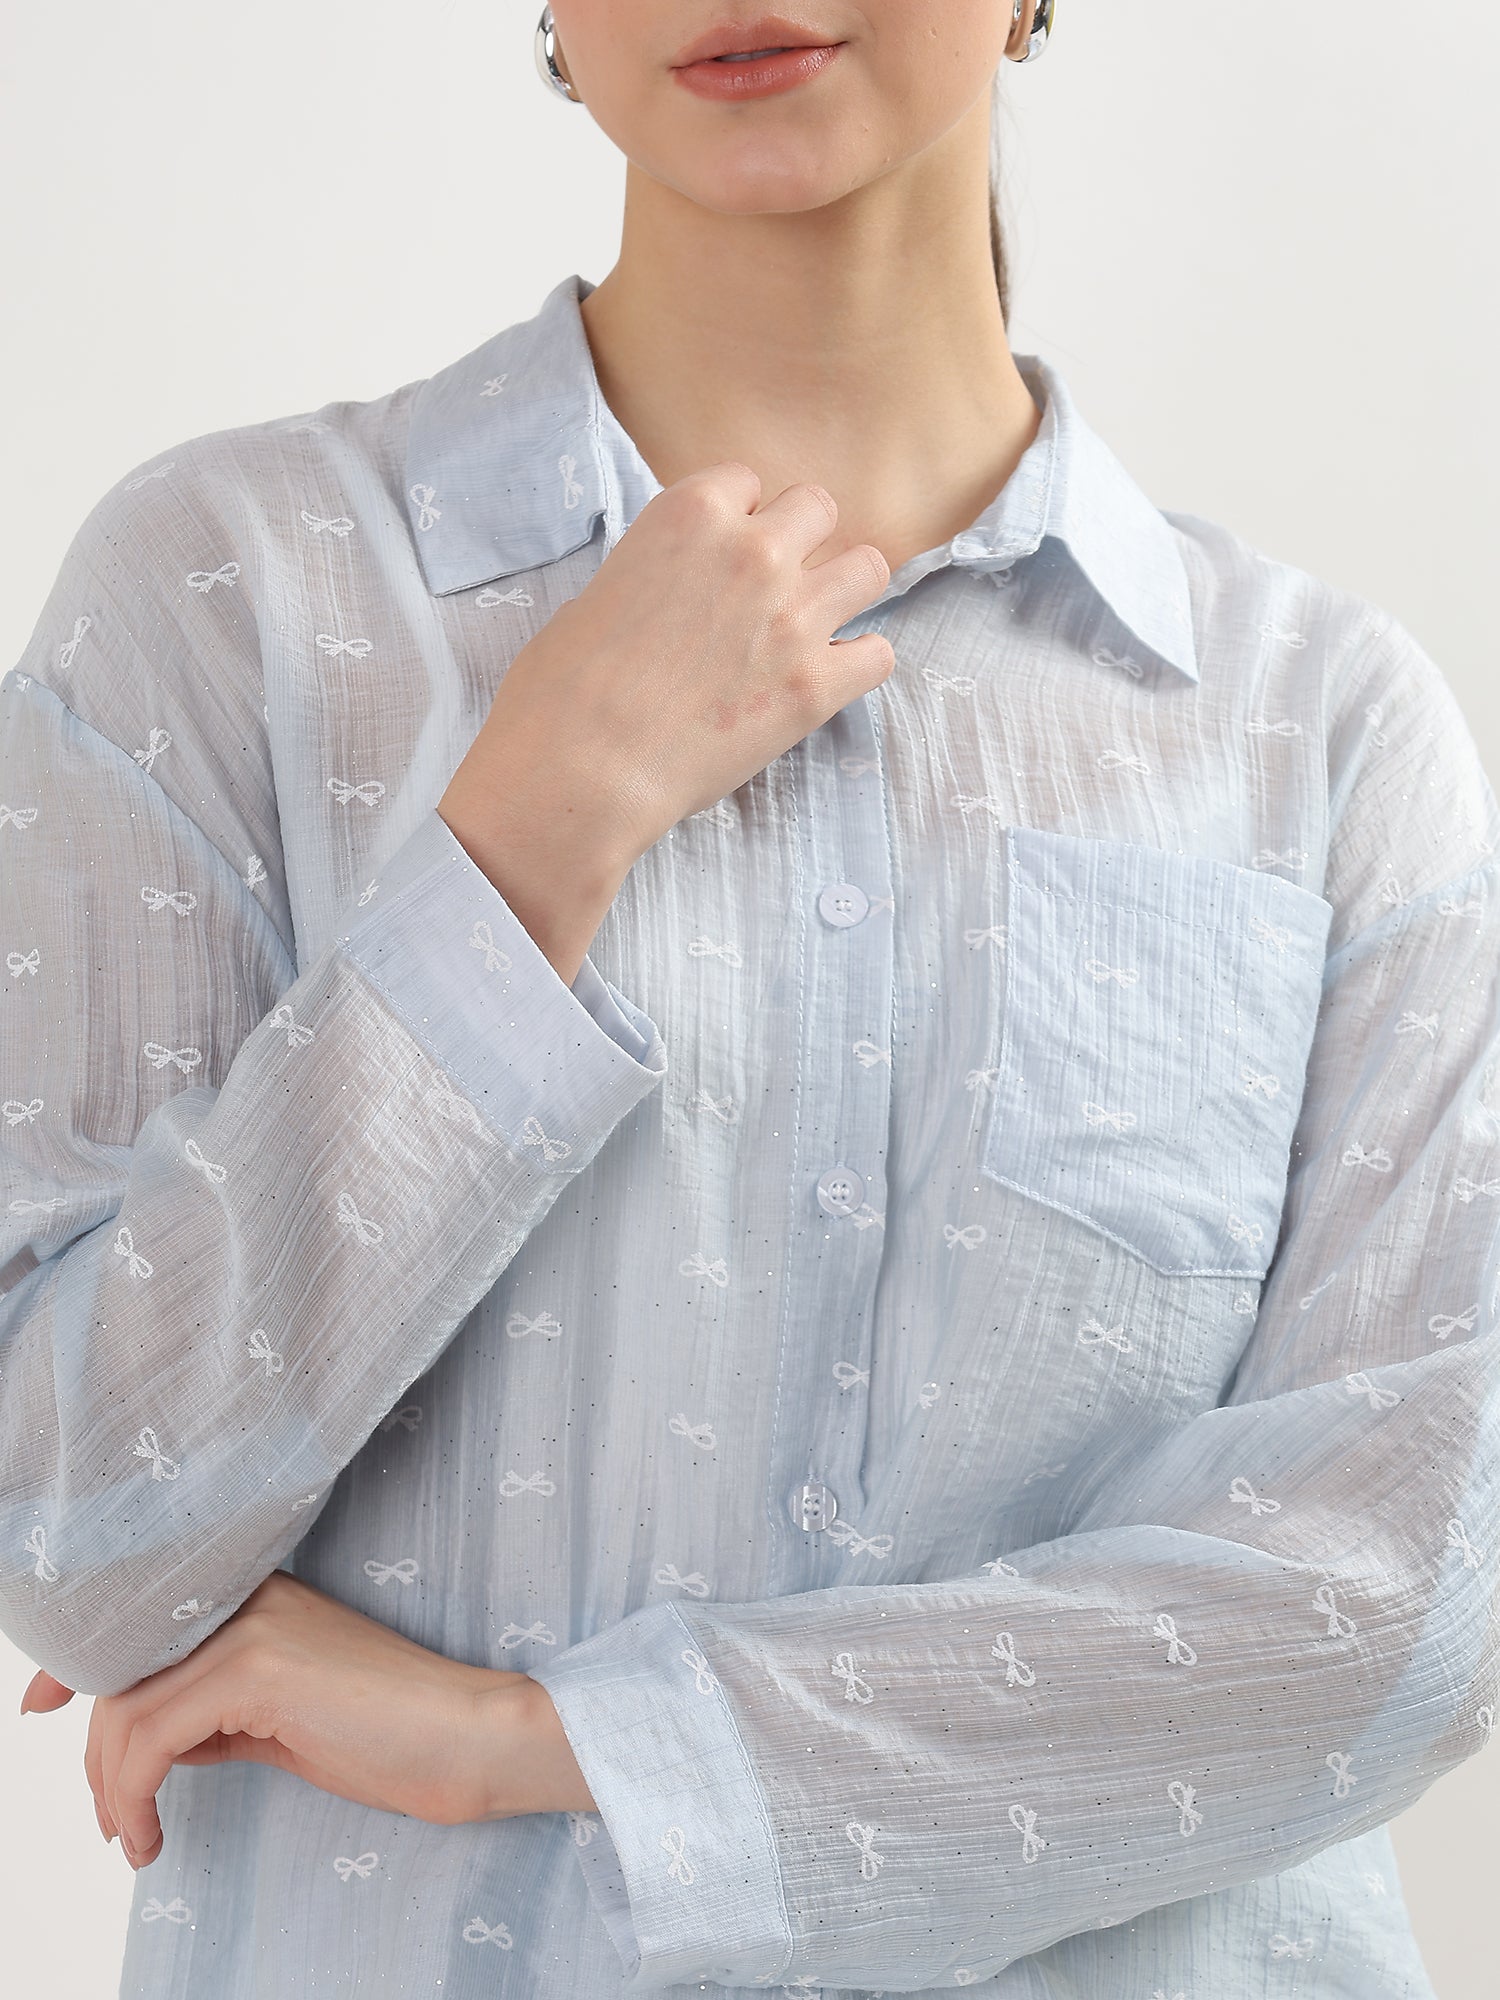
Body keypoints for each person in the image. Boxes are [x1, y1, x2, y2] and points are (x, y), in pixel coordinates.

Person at [2, 4, 1496, 1995]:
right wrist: (526, 839)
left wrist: (559, 1748)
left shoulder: (1324, 732)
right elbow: (71, 1533)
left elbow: (1403, 1604)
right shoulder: (230, 596)